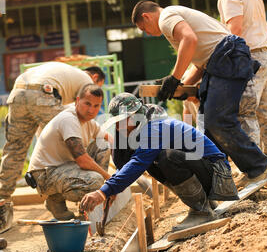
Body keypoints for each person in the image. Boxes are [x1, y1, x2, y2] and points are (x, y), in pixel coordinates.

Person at [131, 0, 267, 189]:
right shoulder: (174, 19)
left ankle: (258, 166)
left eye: (144, 28)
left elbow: (190, 40)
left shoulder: (166, 17)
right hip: (217, 62)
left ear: (146, 16)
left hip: (227, 57)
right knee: (207, 126)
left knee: (218, 120)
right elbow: (199, 61)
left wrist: (174, 78)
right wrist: (181, 87)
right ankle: (220, 180)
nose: (147, 33)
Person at [80, 92, 239, 232]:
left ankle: (201, 212)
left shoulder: (154, 127)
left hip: (218, 176)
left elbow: (137, 163)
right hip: (207, 171)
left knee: (166, 158)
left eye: (124, 120)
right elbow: (125, 164)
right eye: (117, 121)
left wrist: (103, 191)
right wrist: (114, 187)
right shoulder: (137, 129)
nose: (119, 125)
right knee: (154, 164)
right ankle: (206, 204)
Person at [200, 0, 267, 179]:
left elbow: (234, 31)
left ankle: (255, 170)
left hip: (249, 60)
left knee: (245, 113)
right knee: (266, 113)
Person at [0, 62, 105, 233]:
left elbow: (44, 135)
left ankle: (2, 199)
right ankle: (57, 199)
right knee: (67, 143)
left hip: (18, 92)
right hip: (44, 93)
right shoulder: (87, 82)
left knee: (15, 149)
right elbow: (72, 128)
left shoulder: (64, 75)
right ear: (95, 78)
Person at [26, 83, 111, 221]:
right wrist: (110, 181)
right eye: (87, 104)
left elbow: (109, 139)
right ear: (77, 101)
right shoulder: (69, 119)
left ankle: (87, 204)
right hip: (44, 174)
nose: (91, 110)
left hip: (63, 169)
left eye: (96, 106)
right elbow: (83, 160)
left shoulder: (89, 122)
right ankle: (55, 199)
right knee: (96, 182)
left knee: (104, 145)